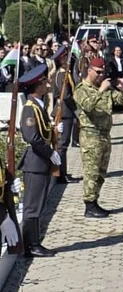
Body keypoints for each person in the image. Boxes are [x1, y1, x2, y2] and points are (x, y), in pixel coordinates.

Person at [74, 57, 123, 218]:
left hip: (105, 135)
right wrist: (101, 91)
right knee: (91, 172)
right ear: (89, 71)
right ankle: (89, 205)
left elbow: (120, 101)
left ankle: (95, 201)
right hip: (90, 135)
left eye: (102, 72)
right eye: (98, 72)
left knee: (101, 172)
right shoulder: (81, 89)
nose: (100, 75)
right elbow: (88, 106)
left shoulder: (104, 86)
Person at [18, 64, 59, 257]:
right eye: (44, 81)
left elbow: (42, 131)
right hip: (35, 162)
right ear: (37, 86)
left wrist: (52, 131)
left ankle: (34, 242)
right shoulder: (29, 109)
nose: (47, 83)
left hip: (40, 162)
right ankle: (30, 245)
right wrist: (50, 152)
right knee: (32, 207)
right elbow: (32, 137)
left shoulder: (38, 105)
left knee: (38, 204)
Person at [50, 46, 81, 184]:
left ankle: (63, 172)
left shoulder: (64, 73)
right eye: (65, 56)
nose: (68, 58)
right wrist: (76, 109)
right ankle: (61, 175)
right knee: (62, 144)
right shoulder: (61, 74)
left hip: (66, 111)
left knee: (64, 144)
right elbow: (66, 95)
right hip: (64, 112)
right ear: (60, 59)